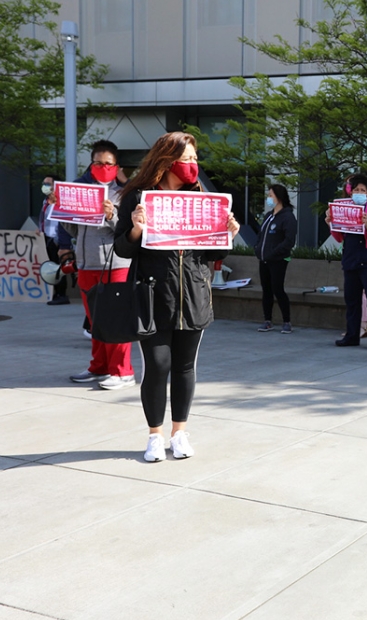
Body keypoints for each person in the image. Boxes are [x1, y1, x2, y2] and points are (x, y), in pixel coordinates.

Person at [113, 131, 240, 463]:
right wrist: (136, 227)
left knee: (185, 366)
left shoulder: (201, 197)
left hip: (194, 292)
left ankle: (179, 432)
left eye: (195, 159)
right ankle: (155, 436)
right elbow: (122, 247)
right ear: (167, 160)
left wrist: (228, 233)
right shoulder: (138, 197)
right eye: (187, 159)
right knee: (157, 365)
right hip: (153, 292)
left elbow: (216, 252)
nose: (193, 166)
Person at [56, 140, 136, 389]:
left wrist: (111, 215)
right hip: (87, 263)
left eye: (108, 163)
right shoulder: (81, 191)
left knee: (116, 319)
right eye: (98, 163)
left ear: (117, 166)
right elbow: (72, 229)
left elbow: (128, 231)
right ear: (91, 164)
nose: (103, 167)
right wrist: (61, 210)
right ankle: (99, 367)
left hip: (116, 263)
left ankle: (122, 372)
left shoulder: (127, 193)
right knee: (95, 321)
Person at [327, 174, 367, 351]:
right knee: (352, 299)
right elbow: (339, 237)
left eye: (363, 190)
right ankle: (352, 335)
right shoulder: (343, 208)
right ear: (351, 193)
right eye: (356, 190)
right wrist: (331, 223)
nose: (359, 193)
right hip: (351, 258)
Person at [255, 184, 298, 334]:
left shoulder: (287, 217)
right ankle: (267, 320)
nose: (268, 198)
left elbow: (289, 241)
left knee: (277, 289)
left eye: (270, 195)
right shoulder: (269, 216)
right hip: (264, 259)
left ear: (279, 197)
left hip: (278, 260)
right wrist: (258, 248)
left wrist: (273, 253)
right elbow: (261, 235)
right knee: (266, 290)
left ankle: (287, 321)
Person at [38, 175, 70, 305]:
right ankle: (55, 292)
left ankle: (62, 294)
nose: (45, 186)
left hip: (57, 240)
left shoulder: (60, 202)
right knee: (51, 266)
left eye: (48, 184)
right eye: (44, 183)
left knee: (59, 267)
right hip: (47, 237)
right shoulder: (46, 201)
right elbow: (44, 219)